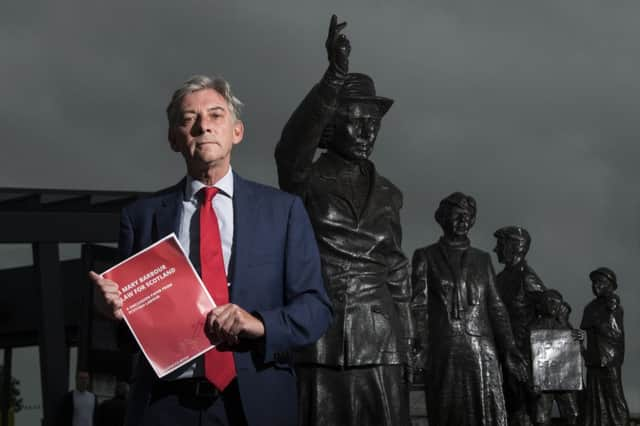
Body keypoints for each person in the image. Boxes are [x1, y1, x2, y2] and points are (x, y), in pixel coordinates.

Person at [89, 75, 333, 426]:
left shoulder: (284, 212)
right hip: (163, 405)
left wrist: (259, 323)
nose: (203, 127)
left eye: (216, 115)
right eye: (188, 120)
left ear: (237, 131)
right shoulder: (140, 218)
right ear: (174, 139)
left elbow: (316, 309)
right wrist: (108, 310)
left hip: (256, 403)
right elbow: (130, 333)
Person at [275, 15, 412, 426]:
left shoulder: (389, 192)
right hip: (321, 337)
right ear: (331, 127)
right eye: (358, 121)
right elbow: (289, 147)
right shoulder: (306, 178)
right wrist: (334, 77)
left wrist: (408, 341)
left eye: (375, 124)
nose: (369, 132)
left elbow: (396, 270)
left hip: (381, 340)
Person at [411, 192, 526, 426]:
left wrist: (510, 350)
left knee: (486, 412)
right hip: (445, 347)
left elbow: (496, 307)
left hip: (481, 349)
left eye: (468, 217)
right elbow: (418, 305)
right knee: (446, 410)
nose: (464, 221)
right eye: (457, 216)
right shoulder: (426, 256)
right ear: (443, 218)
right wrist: (420, 346)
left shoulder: (482, 259)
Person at [493, 226, 546, 425]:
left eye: (500, 245)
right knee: (512, 405)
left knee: (527, 406)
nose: (495, 249)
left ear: (513, 247)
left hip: (525, 356)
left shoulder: (527, 277)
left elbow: (552, 308)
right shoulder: (499, 279)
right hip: (506, 352)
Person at [580, 267, 630, 426]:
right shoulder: (590, 307)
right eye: (594, 283)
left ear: (610, 285)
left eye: (600, 282)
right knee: (595, 396)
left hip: (609, 358)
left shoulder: (614, 306)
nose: (596, 286)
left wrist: (600, 322)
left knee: (614, 395)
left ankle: (620, 423)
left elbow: (615, 334)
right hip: (594, 357)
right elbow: (587, 331)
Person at [528, 289, 580, 426]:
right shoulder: (533, 327)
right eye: (550, 302)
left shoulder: (564, 325)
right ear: (541, 304)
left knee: (572, 413)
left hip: (563, 380)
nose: (554, 306)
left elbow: (573, 351)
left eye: (558, 303)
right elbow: (528, 356)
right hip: (542, 381)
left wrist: (579, 338)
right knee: (541, 418)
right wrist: (532, 381)